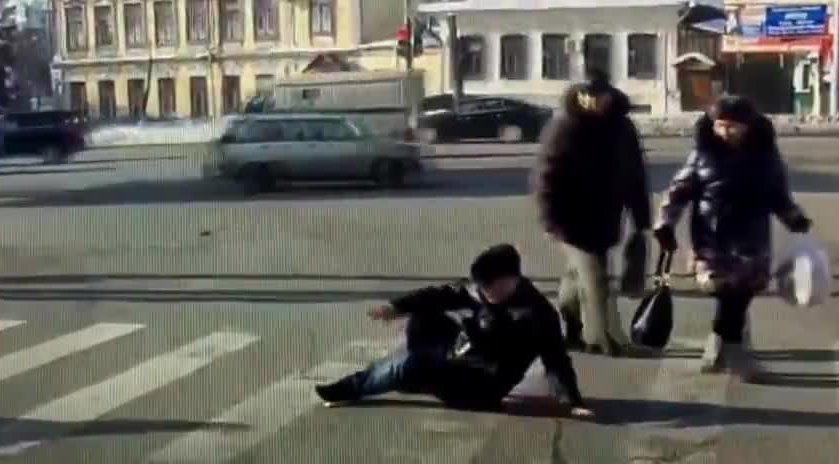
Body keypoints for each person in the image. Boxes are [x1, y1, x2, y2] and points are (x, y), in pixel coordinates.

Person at [313, 244, 593, 418]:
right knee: (425, 314)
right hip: (463, 353)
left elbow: (556, 360)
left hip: (483, 383)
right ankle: (418, 375)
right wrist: (396, 307)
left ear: (511, 280)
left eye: (489, 288)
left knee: (413, 365)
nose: (483, 294)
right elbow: (439, 294)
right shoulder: (479, 291)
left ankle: (354, 387)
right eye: (481, 288)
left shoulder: (537, 315)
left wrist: (572, 401)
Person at [651, 96, 812, 377]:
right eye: (720, 126)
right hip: (712, 236)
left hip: (752, 237)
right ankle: (735, 355)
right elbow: (679, 191)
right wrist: (665, 224)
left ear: (748, 126)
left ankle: (718, 347)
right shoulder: (703, 154)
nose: (725, 132)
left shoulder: (766, 156)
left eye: (732, 127)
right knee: (725, 291)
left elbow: (778, 195)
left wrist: (793, 217)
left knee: (743, 293)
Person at [532, 71, 651, 356]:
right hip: (570, 218)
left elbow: (635, 174)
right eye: (586, 95)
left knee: (578, 276)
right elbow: (545, 178)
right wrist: (549, 220)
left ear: (609, 95)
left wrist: (641, 219)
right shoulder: (564, 127)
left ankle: (570, 324)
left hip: (608, 214)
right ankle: (601, 338)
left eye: (597, 96)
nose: (591, 101)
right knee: (596, 275)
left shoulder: (622, 128)